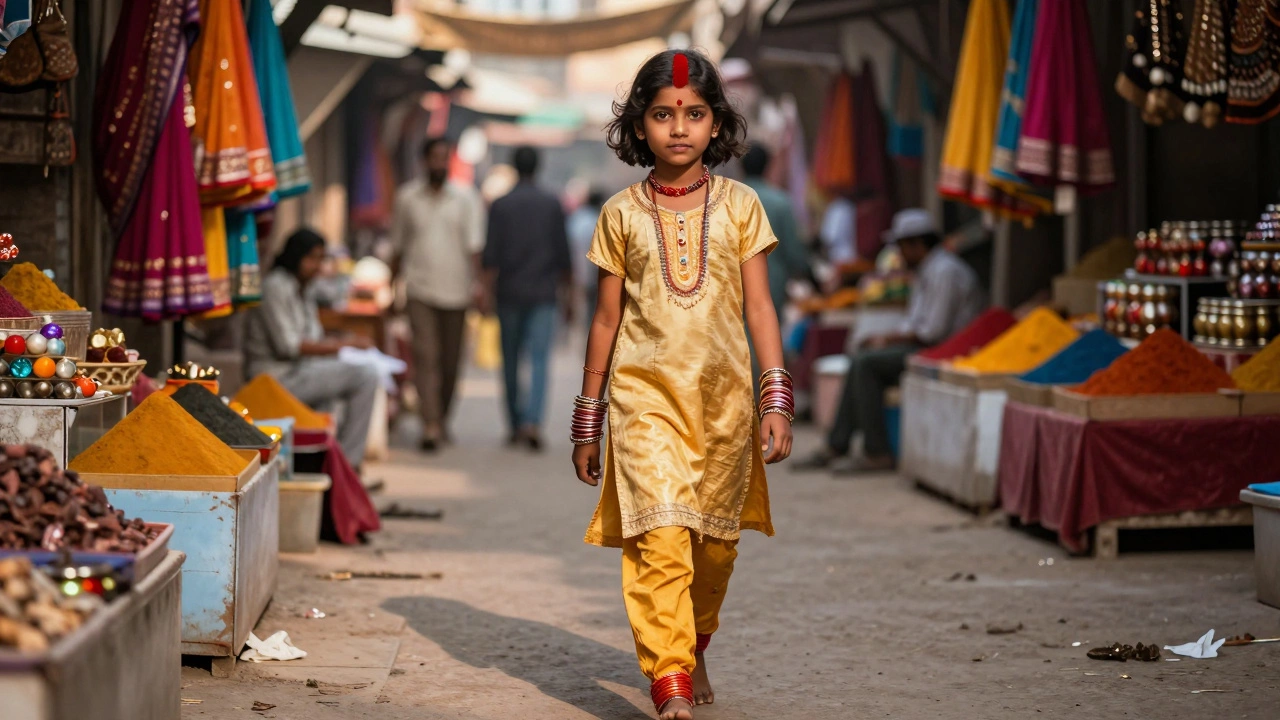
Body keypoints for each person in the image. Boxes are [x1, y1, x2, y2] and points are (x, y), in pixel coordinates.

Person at [571, 49, 792, 720]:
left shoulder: (741, 207)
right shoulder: (620, 214)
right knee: (660, 539)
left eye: (694, 114)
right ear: (639, 126)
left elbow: (759, 308)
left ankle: (693, 645)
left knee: (714, 550)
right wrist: (589, 417)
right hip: (644, 406)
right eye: (663, 114)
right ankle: (668, 681)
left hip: (724, 408)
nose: (678, 128)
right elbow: (607, 320)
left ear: (716, 123)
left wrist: (774, 395)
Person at [795, 208, 986, 474]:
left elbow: (932, 331)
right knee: (860, 361)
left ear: (917, 244)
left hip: (946, 351)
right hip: (928, 346)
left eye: (902, 247)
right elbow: (916, 324)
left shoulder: (945, 272)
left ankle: (876, 451)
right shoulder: (927, 270)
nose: (899, 255)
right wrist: (884, 339)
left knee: (866, 364)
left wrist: (887, 338)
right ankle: (836, 444)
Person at [244, 228, 381, 467]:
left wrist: (341, 340)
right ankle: (349, 465)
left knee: (348, 379)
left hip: (301, 371)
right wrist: (344, 345)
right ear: (297, 256)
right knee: (365, 375)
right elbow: (289, 346)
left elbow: (313, 336)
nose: (318, 266)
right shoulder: (275, 286)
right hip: (276, 379)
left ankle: (336, 465)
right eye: (313, 258)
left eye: (322, 259)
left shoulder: (304, 287)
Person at [390, 137, 486, 452]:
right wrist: (393, 289)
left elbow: (475, 249)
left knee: (450, 364)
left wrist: (479, 286)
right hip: (419, 290)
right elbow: (398, 247)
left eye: (444, 158)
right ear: (424, 161)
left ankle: (441, 418)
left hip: (457, 292)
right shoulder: (407, 198)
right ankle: (429, 424)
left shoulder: (466, 198)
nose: (439, 164)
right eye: (434, 158)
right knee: (425, 358)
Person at [482, 146, 573, 450]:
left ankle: (515, 423)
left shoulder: (501, 205)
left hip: (508, 292)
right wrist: (570, 296)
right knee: (538, 359)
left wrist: (483, 292)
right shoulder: (551, 204)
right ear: (539, 166)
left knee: (509, 359)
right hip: (543, 293)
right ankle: (533, 422)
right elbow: (564, 255)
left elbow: (489, 256)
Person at [740, 144, 809, 324]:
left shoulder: (728, 202)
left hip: (735, 281)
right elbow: (794, 251)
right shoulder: (780, 202)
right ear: (767, 166)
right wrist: (808, 273)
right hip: (772, 282)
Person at [567, 188, 606, 331]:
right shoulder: (599, 219)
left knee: (580, 312)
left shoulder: (576, 219)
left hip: (576, 272)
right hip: (593, 273)